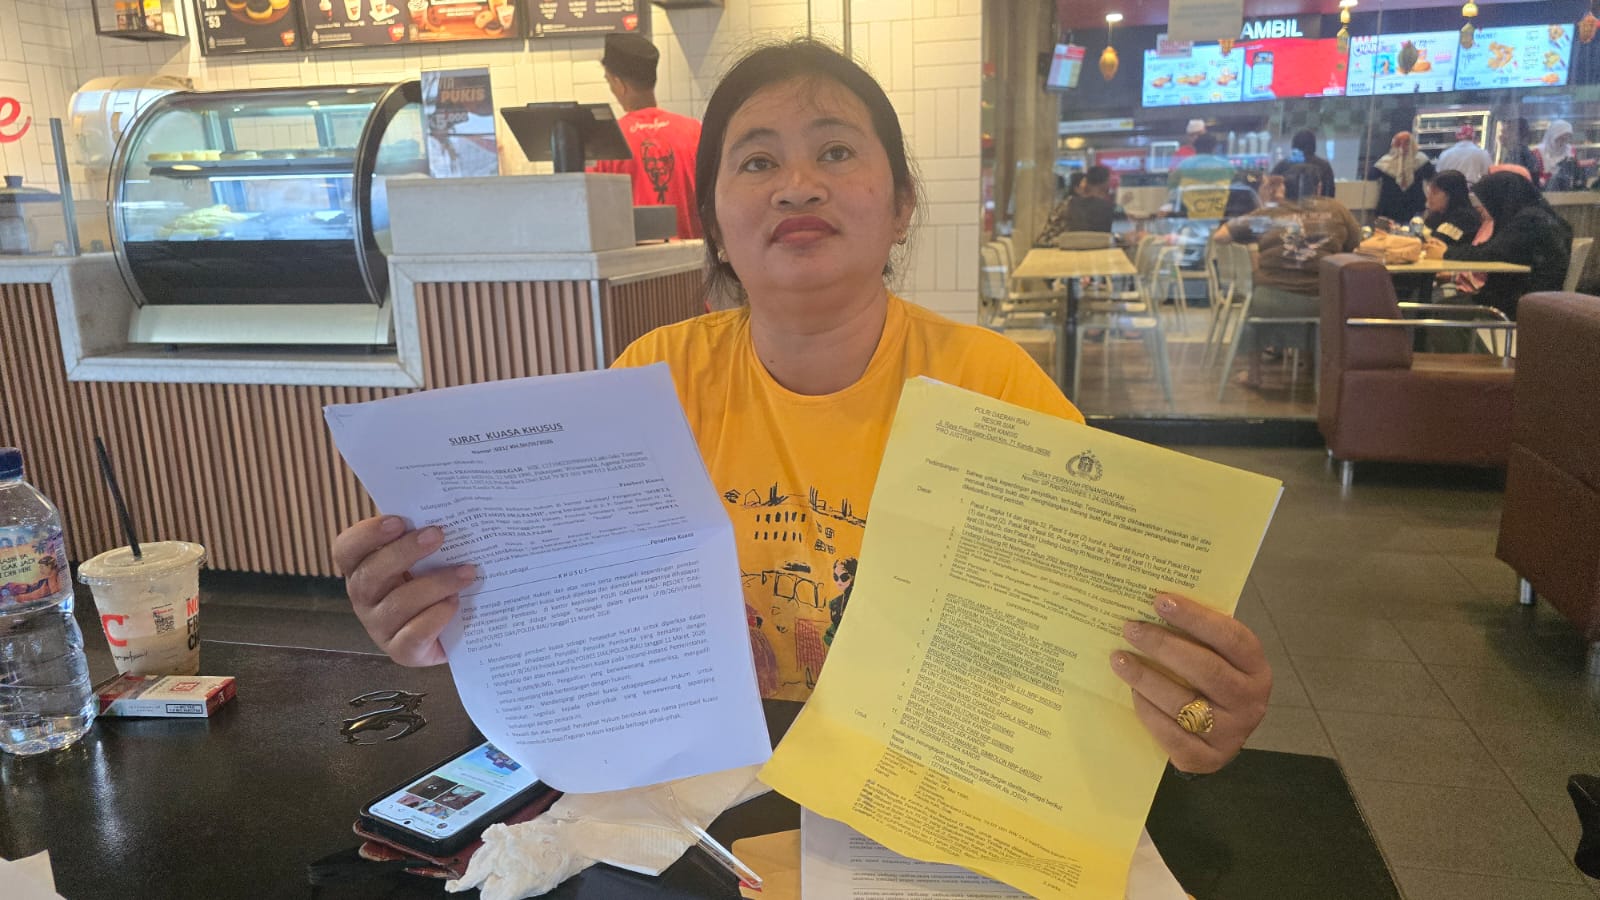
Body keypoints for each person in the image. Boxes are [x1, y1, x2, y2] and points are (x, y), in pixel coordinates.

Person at [333, 39, 1271, 775]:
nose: (797, 185)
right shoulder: (652, 382)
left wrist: (1192, 706)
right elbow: (571, 613)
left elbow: (1104, 647)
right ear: (715, 224)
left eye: (835, 151)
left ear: (901, 205)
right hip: (704, 792)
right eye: (755, 162)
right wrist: (453, 625)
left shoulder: (993, 388)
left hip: (922, 789)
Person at [1214, 164, 1361, 386]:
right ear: (1319, 187)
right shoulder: (1337, 209)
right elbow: (1355, 245)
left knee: (1261, 294)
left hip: (1269, 303)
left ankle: (1255, 374)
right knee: (1325, 290)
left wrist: (1252, 236)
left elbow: (1220, 236)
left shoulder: (1269, 213)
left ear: (1285, 188)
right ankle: (1312, 367)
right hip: (1321, 303)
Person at [590, 33, 704, 239]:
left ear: (619, 84)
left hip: (633, 258)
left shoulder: (605, 140)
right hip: (692, 257)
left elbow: (592, 212)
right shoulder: (694, 132)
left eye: (608, 80)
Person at [1433, 170, 1572, 320]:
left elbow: (1490, 255)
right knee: (1440, 305)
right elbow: (1491, 249)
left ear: (1500, 198)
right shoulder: (1540, 217)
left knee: (1434, 312)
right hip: (1533, 302)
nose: (1484, 208)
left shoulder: (1529, 222)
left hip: (1517, 305)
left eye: (1488, 202)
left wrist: (1445, 253)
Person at [1036, 164, 1117, 244]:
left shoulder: (1067, 204)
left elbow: (1044, 239)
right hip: (1103, 252)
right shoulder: (1112, 209)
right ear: (1106, 184)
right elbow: (1122, 239)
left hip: (1069, 251)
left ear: (1086, 182)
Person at [1369, 131, 1434, 224]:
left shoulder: (1421, 160)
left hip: (1410, 208)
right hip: (1394, 208)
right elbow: (1371, 176)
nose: (1402, 147)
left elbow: (1432, 178)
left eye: (1406, 143)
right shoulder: (1385, 162)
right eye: (1399, 143)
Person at [1168, 133, 1236, 219]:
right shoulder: (1227, 166)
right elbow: (1235, 188)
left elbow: (1172, 188)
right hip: (1220, 219)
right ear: (1214, 148)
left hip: (1189, 219)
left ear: (1195, 148)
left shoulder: (1184, 165)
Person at [1421, 171, 1480, 248]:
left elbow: (1435, 245)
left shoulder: (1464, 219)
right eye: (1429, 192)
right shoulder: (1436, 215)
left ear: (1451, 195)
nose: (1429, 197)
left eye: (1435, 193)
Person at [1270, 130, 1335, 198]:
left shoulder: (1282, 165)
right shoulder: (1324, 166)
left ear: (1293, 145)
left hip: (1286, 204)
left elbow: (1270, 189)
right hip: (1317, 204)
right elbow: (1330, 194)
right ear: (1314, 145)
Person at [1537, 120, 1583, 192]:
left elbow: (1576, 171)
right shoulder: (1539, 152)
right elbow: (1535, 176)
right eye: (1561, 138)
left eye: (1566, 139)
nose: (1563, 142)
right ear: (1553, 136)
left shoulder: (1570, 151)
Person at [1497, 118, 1544, 185]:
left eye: (1505, 131)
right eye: (1502, 132)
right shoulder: (1514, 153)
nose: (1501, 136)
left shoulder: (1519, 156)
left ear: (1516, 135)